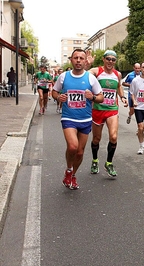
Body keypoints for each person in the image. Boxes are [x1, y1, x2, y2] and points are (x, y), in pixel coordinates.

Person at [52, 48, 104, 190]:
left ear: (85, 61)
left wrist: (92, 97)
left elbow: (101, 97)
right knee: (73, 146)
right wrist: (58, 97)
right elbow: (54, 91)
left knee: (80, 152)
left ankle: (72, 175)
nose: (79, 61)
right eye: (76, 58)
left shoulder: (90, 78)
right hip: (69, 118)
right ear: (71, 60)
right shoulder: (63, 77)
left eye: (81, 58)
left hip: (85, 119)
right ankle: (69, 169)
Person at [88, 50, 128, 177]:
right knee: (96, 139)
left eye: (113, 59)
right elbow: (82, 74)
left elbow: (119, 86)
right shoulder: (96, 71)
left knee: (114, 137)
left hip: (112, 109)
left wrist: (122, 97)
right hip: (98, 109)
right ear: (104, 59)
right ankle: (95, 161)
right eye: (108, 59)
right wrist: (87, 65)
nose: (110, 61)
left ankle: (109, 163)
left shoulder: (118, 74)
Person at [129, 61, 144, 154]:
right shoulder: (135, 80)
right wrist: (134, 101)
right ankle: (141, 147)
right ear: (140, 69)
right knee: (140, 127)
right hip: (139, 107)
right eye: (143, 67)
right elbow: (132, 93)